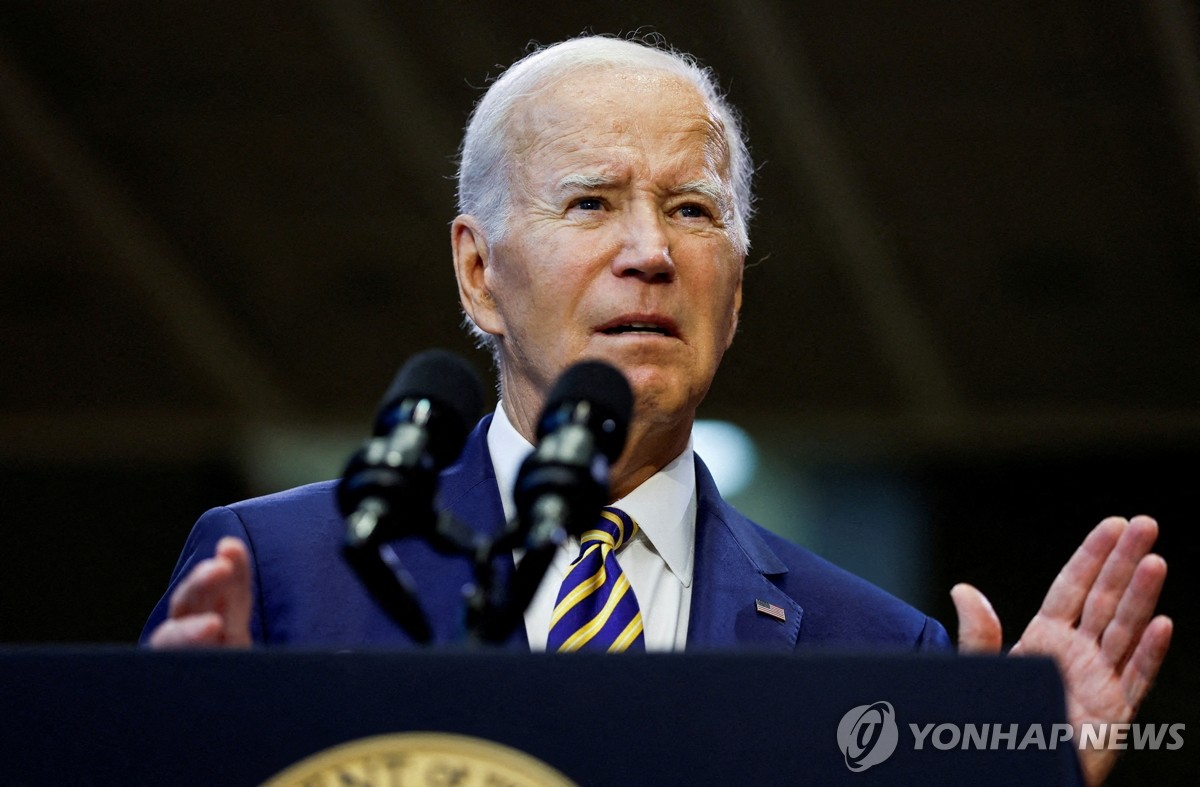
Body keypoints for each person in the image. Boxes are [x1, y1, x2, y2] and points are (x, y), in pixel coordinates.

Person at [143, 35, 1172, 785]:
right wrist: (160, 761)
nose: (651, 251)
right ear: (477, 272)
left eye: (693, 211)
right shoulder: (276, 575)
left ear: (736, 289)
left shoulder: (877, 653)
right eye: (591, 202)